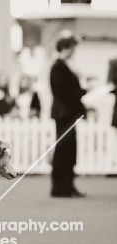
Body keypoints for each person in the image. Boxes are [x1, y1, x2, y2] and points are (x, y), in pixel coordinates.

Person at [50, 30, 87, 198]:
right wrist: (83, 90)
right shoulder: (58, 67)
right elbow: (64, 92)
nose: (74, 51)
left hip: (69, 114)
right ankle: (60, 187)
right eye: (72, 47)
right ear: (66, 47)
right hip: (64, 114)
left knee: (70, 151)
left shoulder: (64, 67)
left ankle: (68, 185)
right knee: (63, 151)